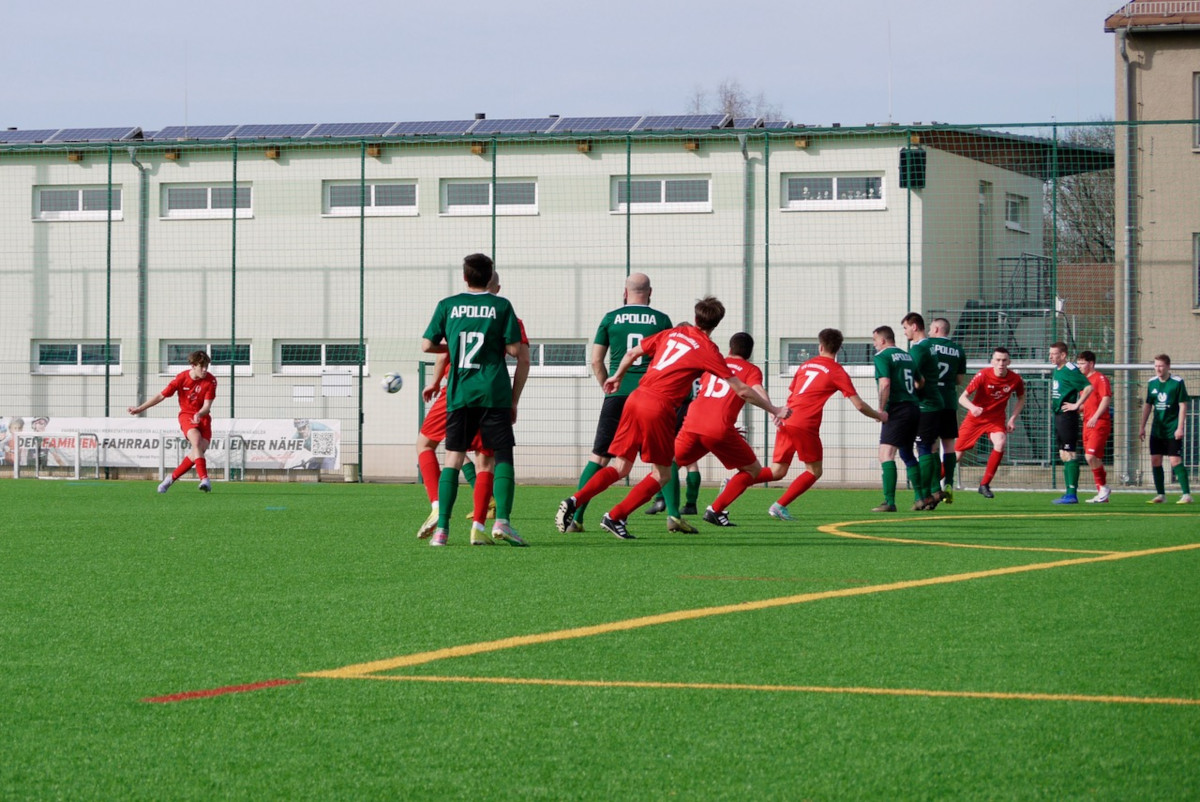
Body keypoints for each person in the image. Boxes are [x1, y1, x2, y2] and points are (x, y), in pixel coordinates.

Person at [555, 296, 788, 539]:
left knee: (620, 466)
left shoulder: (671, 334)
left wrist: (617, 376)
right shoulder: (708, 349)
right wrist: (775, 410)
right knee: (662, 474)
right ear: (716, 324)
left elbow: (633, 352)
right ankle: (616, 516)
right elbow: (742, 390)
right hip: (659, 407)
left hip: (635, 397)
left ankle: (575, 499)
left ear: (696, 317)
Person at [421, 254, 527, 546]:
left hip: (460, 392)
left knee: (453, 458)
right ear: (490, 275)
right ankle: (484, 526)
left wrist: (452, 344)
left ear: (465, 276)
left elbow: (428, 345)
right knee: (492, 457)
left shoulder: (448, 305)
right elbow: (516, 350)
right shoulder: (502, 306)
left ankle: (442, 530)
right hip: (493, 392)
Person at [566, 273, 672, 533]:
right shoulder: (662, 320)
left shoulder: (610, 318)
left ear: (625, 292)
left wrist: (607, 385)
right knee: (661, 464)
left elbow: (595, 361)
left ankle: (576, 517)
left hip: (617, 396)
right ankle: (674, 515)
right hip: (649, 399)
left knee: (600, 457)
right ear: (650, 291)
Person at [766, 328, 885, 521]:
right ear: (838, 349)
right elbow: (859, 405)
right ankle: (779, 506)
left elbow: (794, 394)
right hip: (805, 424)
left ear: (820, 346)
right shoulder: (837, 371)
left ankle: (735, 482)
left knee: (777, 470)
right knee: (814, 471)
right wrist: (879, 415)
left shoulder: (805, 366)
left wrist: (781, 414)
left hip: (786, 419)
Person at [671, 332, 779, 526]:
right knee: (753, 469)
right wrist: (773, 410)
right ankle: (715, 510)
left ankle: (619, 513)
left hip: (693, 421)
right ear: (750, 353)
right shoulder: (750, 369)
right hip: (718, 428)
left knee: (667, 467)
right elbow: (755, 389)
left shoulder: (714, 363)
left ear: (730, 348)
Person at [128, 350, 216, 493]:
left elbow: (207, 406)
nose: (205, 370)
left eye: (207, 366)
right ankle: (204, 479)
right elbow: (161, 396)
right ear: (193, 366)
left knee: (196, 453)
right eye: (202, 366)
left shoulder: (211, 380)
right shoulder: (181, 378)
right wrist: (139, 408)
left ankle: (170, 478)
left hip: (203, 418)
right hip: (187, 415)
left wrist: (200, 413)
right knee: (196, 442)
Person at [954, 347, 1026, 499]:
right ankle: (933, 484)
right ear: (992, 361)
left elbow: (1021, 398)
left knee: (1000, 442)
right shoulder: (983, 375)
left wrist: (1012, 418)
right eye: (998, 360)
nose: (1001, 364)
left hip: (995, 420)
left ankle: (984, 484)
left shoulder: (1015, 379)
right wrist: (973, 408)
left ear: (1009, 362)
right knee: (956, 456)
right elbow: (962, 398)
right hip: (975, 420)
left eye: (1004, 360)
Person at [871, 326, 921, 512]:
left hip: (897, 409)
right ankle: (920, 497)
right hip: (914, 408)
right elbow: (920, 382)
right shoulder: (908, 356)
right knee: (907, 453)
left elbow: (885, 383)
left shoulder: (882, 356)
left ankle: (889, 502)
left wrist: (881, 409)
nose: (874, 344)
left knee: (886, 454)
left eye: (875, 340)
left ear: (883, 340)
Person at [901, 312, 944, 510]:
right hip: (934, 403)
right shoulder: (930, 346)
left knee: (922, 448)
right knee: (930, 447)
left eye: (905, 328)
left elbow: (914, 379)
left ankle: (926, 494)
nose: (905, 332)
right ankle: (935, 490)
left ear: (914, 326)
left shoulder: (918, 349)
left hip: (925, 405)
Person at [1139, 354, 1191, 504]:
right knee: (1155, 460)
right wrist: (1142, 427)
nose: (1158, 369)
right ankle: (1161, 495)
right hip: (1157, 430)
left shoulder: (1177, 382)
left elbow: (1183, 405)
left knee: (1175, 460)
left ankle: (1186, 494)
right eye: (1155, 366)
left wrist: (1180, 427)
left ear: (1168, 366)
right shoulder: (1152, 383)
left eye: (1160, 366)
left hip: (1172, 429)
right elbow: (1148, 405)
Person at [925, 317, 968, 502]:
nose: (928, 331)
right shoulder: (958, 350)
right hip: (949, 402)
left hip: (932, 402)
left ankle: (935, 486)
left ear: (936, 329)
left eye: (930, 328)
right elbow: (959, 380)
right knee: (949, 445)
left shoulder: (926, 346)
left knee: (932, 445)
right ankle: (949, 482)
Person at [1048, 341, 1094, 505]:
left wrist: (1076, 404)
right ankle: (1068, 492)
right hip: (1059, 416)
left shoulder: (1070, 369)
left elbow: (1088, 387)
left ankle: (1072, 493)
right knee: (1063, 454)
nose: (1050, 356)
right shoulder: (1058, 370)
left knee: (1070, 453)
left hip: (1068, 416)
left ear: (1063, 355)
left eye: (1054, 354)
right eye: (1050, 353)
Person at [1076, 350, 1113, 503]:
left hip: (1099, 422)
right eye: (1078, 363)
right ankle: (1102, 492)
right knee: (1094, 458)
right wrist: (1077, 409)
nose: (1079, 366)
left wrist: (1096, 416)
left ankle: (1103, 488)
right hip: (1087, 424)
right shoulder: (1083, 382)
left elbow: (1106, 399)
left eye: (1082, 363)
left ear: (1091, 364)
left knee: (1090, 456)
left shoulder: (1100, 378)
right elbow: (1087, 403)